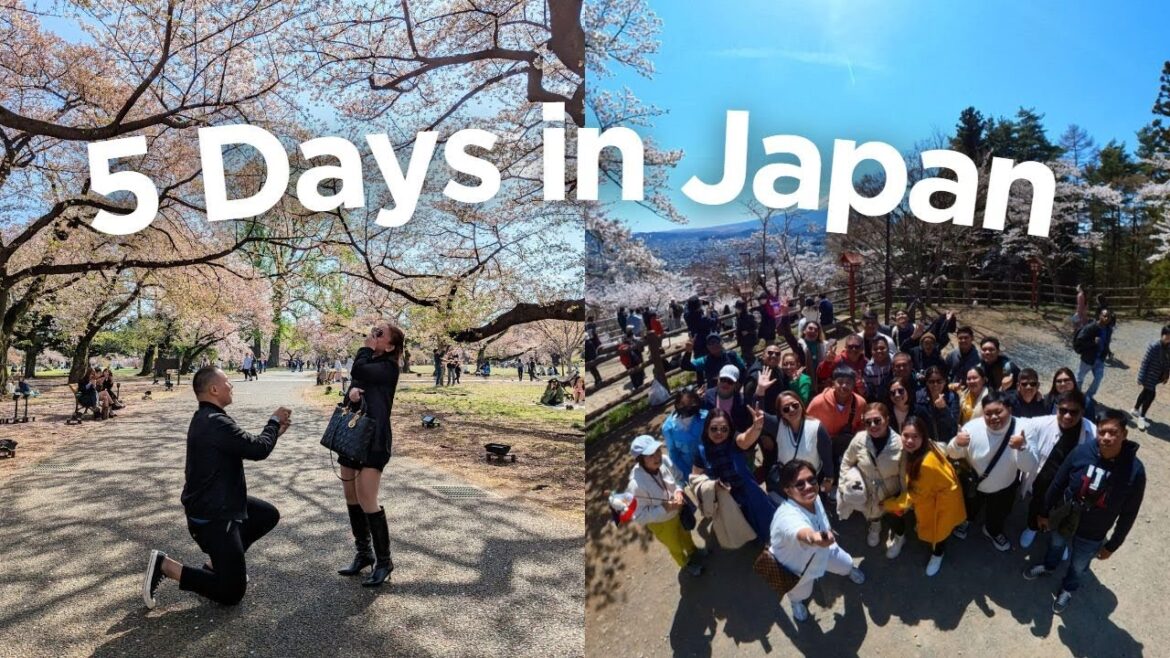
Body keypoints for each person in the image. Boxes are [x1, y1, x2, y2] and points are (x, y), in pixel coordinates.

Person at [141, 366, 292, 609]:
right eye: (227, 382)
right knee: (231, 593)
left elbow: (247, 446)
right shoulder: (216, 423)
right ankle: (166, 566)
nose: (231, 385)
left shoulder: (207, 418)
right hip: (214, 516)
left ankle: (216, 564)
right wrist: (273, 422)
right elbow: (257, 449)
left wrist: (274, 433)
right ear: (213, 389)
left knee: (266, 515)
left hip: (219, 503)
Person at [1022, 409, 1145, 614]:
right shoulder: (1082, 451)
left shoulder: (1135, 470)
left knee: (1079, 564)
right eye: (1102, 431)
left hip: (1094, 531)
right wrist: (1044, 512)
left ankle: (1068, 588)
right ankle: (1049, 567)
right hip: (1065, 517)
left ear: (1124, 434)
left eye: (1113, 432)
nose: (1106, 437)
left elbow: (1129, 513)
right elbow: (1058, 481)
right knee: (1056, 544)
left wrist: (1112, 545)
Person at [335, 322, 405, 587]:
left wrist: (365, 347)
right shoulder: (369, 363)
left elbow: (359, 369)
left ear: (389, 345)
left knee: (367, 499)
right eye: (373, 331)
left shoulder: (388, 367)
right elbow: (356, 382)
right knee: (351, 496)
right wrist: (351, 393)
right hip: (353, 434)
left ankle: (384, 561)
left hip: (374, 439)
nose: (373, 336)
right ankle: (363, 553)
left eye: (379, 334)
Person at [768, 460, 866, 622]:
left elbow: (820, 518)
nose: (808, 486)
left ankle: (849, 571)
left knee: (846, 564)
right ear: (788, 491)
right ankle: (796, 602)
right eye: (799, 484)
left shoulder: (814, 496)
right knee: (801, 593)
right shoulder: (786, 517)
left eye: (811, 480)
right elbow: (802, 532)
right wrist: (814, 538)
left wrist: (824, 537)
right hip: (798, 567)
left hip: (824, 550)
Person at [882, 416, 966, 576]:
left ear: (923, 437)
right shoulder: (925, 447)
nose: (909, 441)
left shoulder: (926, 464)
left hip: (941, 504)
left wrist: (889, 504)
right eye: (906, 435)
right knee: (938, 528)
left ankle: (937, 555)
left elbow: (913, 496)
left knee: (939, 532)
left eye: (915, 437)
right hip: (936, 497)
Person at [946, 392, 1028, 551]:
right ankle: (966, 520)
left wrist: (1023, 448)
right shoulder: (971, 427)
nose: (994, 417)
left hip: (1005, 486)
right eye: (988, 413)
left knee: (998, 514)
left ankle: (992, 531)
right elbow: (953, 453)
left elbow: (1028, 466)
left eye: (999, 412)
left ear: (1009, 409)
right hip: (976, 483)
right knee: (970, 506)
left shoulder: (1021, 429)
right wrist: (957, 443)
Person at [1014, 390, 1095, 549]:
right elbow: (1017, 422)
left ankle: (1057, 536)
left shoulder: (1091, 432)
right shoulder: (1041, 423)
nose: (1067, 416)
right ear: (1057, 408)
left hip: (1069, 484)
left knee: (1064, 510)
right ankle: (1032, 528)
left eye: (1073, 412)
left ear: (1082, 412)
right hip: (1043, 480)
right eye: (1063, 410)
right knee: (1037, 504)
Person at [692, 407, 777, 542]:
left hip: (748, 491)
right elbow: (695, 478)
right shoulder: (701, 451)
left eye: (724, 429)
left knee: (766, 522)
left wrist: (756, 428)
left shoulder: (734, 440)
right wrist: (711, 487)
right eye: (714, 428)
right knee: (742, 526)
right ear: (706, 428)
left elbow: (745, 440)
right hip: (725, 500)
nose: (719, 433)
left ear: (730, 429)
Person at [627, 435, 704, 576]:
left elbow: (678, 478)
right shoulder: (636, 485)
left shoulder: (665, 460)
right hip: (661, 523)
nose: (657, 457)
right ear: (640, 460)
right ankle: (685, 563)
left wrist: (679, 492)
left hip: (678, 511)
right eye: (650, 455)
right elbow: (639, 516)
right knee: (674, 545)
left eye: (657, 451)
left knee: (685, 533)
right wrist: (664, 508)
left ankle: (694, 551)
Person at [839, 403, 905, 557]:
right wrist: (843, 487)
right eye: (868, 422)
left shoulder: (900, 444)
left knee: (895, 517)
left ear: (887, 420)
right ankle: (875, 526)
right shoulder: (859, 439)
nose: (873, 425)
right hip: (869, 489)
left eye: (877, 420)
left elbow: (904, 475)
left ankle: (900, 537)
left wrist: (904, 498)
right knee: (872, 513)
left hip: (891, 491)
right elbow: (847, 461)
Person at [806, 365, 866, 481]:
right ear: (833, 383)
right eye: (840, 382)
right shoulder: (818, 402)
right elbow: (807, 424)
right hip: (821, 446)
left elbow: (861, 427)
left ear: (854, 385)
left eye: (848, 383)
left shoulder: (860, 403)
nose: (844, 386)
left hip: (846, 447)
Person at [769, 391, 833, 494]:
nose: (792, 410)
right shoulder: (778, 425)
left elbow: (827, 457)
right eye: (786, 409)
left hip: (810, 483)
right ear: (781, 413)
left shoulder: (816, 427)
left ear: (801, 405)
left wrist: (829, 479)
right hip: (787, 483)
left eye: (795, 405)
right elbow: (758, 414)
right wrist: (760, 391)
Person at [1132, 324, 1170, 430]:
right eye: (1167, 335)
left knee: (1145, 392)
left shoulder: (1168, 347)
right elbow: (1145, 362)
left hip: (1158, 375)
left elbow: (1168, 362)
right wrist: (1140, 377)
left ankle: (1135, 409)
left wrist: (1167, 375)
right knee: (1151, 395)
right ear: (1162, 335)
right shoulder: (1154, 346)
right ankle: (1142, 417)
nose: (1168, 338)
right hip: (1149, 375)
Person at [662, 390, 706, 479]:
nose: (688, 407)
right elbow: (674, 454)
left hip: (708, 464)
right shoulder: (668, 427)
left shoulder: (706, 417)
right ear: (677, 405)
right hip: (686, 468)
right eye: (683, 404)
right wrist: (687, 475)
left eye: (691, 403)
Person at [680, 333, 747, 390]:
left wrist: (739, 384)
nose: (714, 345)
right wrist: (688, 352)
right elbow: (685, 366)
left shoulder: (732, 355)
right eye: (710, 343)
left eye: (716, 341)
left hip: (731, 391)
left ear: (722, 343)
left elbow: (743, 370)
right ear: (707, 347)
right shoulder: (705, 360)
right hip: (714, 393)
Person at [1073, 309, 1114, 399]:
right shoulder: (1091, 327)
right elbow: (1080, 340)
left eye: (1108, 317)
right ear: (1100, 316)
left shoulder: (1109, 330)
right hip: (1088, 358)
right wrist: (1093, 342)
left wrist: (1108, 352)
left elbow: (1106, 343)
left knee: (1098, 378)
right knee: (1080, 378)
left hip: (1100, 359)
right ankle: (1077, 396)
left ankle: (1089, 396)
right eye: (1104, 316)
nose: (1106, 318)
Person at [914, 366, 959, 442]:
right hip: (927, 442)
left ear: (945, 381)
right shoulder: (918, 397)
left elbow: (953, 424)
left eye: (939, 381)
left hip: (947, 442)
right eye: (931, 382)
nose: (935, 385)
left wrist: (944, 409)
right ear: (927, 383)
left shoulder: (952, 396)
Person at [734, 299, 759, 365]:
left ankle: (754, 368)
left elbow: (755, 326)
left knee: (749, 355)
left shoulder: (749, 316)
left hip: (749, 339)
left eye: (738, 308)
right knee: (745, 355)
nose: (736, 309)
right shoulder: (739, 316)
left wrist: (748, 331)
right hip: (743, 340)